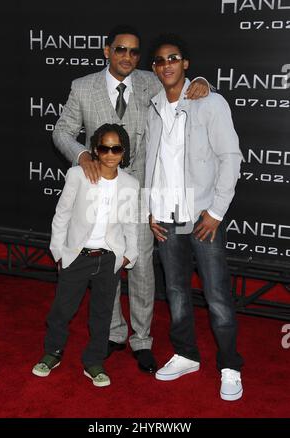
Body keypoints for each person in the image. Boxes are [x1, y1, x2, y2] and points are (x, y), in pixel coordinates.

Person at [52, 24, 210, 373]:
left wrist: (202, 83)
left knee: (138, 266)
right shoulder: (83, 87)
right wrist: (82, 157)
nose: (128, 57)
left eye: (135, 52)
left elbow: (181, 84)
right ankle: (113, 333)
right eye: (120, 50)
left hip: (139, 190)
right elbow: (62, 131)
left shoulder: (151, 81)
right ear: (107, 51)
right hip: (98, 191)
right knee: (106, 261)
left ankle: (141, 339)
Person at [145, 34, 244, 401]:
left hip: (203, 217)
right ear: (154, 68)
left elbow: (230, 157)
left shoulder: (210, 102)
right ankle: (186, 354)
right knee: (175, 293)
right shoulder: (152, 105)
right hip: (166, 218)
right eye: (159, 60)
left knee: (217, 295)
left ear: (186, 64)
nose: (166, 64)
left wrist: (216, 212)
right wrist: (149, 210)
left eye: (174, 58)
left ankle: (230, 364)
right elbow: (149, 163)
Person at [32, 123, 139, 387]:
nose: (110, 153)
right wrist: (59, 252)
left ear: (123, 152)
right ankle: (53, 352)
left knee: (102, 313)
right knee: (62, 309)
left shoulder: (130, 183)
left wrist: (128, 255)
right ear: (95, 149)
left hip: (110, 257)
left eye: (116, 148)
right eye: (105, 147)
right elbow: (62, 215)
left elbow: (130, 224)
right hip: (76, 255)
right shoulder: (77, 175)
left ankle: (94, 361)